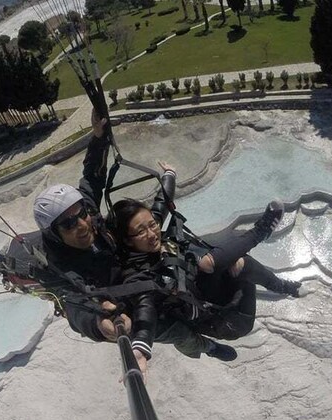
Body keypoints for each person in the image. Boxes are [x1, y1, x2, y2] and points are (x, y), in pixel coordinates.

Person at [32, 113, 236, 365]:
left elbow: (92, 178)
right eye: (68, 223)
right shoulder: (60, 265)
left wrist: (98, 137)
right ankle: (208, 346)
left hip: (133, 260)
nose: (82, 224)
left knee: (162, 234)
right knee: (177, 331)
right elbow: (73, 305)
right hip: (124, 298)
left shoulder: (89, 214)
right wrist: (98, 323)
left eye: (81, 214)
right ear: (54, 232)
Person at [110, 165, 300, 372]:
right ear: (128, 241)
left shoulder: (151, 237)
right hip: (227, 320)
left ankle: (282, 286)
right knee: (209, 263)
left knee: (238, 262)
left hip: (215, 292)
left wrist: (169, 175)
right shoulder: (138, 275)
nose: (152, 233)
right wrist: (140, 349)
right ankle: (260, 233)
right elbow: (145, 310)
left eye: (152, 225)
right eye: (141, 231)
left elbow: (161, 202)